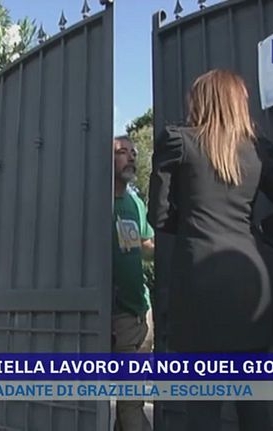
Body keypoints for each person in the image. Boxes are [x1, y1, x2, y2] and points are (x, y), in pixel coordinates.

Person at [148, 69, 273, 430]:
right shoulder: (257, 149)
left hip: (199, 287)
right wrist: (260, 229)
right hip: (251, 287)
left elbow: (158, 216)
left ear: (201, 101)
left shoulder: (178, 142)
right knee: (254, 409)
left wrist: (192, 225)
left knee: (203, 412)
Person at [112, 136, 154, 431]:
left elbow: (146, 244)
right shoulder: (98, 201)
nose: (130, 157)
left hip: (141, 311)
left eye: (133, 152)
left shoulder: (135, 201)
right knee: (130, 400)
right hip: (116, 314)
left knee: (131, 399)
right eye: (122, 152)